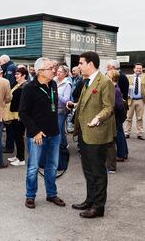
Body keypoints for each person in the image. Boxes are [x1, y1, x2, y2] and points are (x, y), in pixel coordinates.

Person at [68, 51, 115, 218]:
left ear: (90, 64)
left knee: (98, 172)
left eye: (81, 63)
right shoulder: (86, 82)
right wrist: (73, 105)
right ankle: (90, 200)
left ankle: (98, 207)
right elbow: (84, 103)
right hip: (84, 133)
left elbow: (108, 107)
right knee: (88, 170)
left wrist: (98, 118)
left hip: (97, 133)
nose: (79, 67)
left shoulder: (105, 82)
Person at [19, 57, 65, 209]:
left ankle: (51, 194)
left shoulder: (53, 85)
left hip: (54, 133)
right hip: (37, 135)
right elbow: (23, 113)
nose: (54, 71)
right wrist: (35, 131)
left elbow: (53, 107)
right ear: (40, 72)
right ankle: (30, 196)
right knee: (33, 167)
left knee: (52, 166)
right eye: (50, 68)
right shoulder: (29, 88)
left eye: (53, 68)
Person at [5, 67, 28, 166]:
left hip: (19, 116)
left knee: (19, 137)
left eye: (18, 74)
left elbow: (25, 103)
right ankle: (18, 155)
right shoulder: (18, 84)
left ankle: (21, 159)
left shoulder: (25, 86)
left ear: (24, 75)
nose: (15, 76)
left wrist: (21, 115)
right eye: (15, 74)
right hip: (13, 114)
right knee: (15, 136)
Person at [106, 70, 128, 162]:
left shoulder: (115, 89)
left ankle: (121, 155)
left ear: (111, 77)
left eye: (107, 75)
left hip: (117, 116)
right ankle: (124, 153)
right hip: (117, 115)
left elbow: (119, 105)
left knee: (119, 135)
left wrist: (112, 108)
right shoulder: (114, 88)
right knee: (120, 134)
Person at [0, 54, 16, 153]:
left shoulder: (10, 68)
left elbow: (9, 84)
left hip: (10, 101)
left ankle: (9, 146)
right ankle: (9, 145)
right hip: (11, 100)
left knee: (10, 125)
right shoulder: (11, 67)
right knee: (10, 125)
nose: (0, 65)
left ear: (5, 61)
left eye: (0, 63)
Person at [55, 65, 72, 156]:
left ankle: (60, 149)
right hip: (53, 108)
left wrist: (56, 95)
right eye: (58, 71)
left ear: (65, 74)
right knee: (60, 128)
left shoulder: (67, 84)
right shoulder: (54, 80)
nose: (58, 73)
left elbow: (67, 99)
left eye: (61, 72)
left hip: (62, 110)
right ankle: (64, 144)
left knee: (58, 128)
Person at [125, 63, 145, 139]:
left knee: (139, 118)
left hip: (140, 100)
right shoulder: (129, 77)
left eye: (140, 68)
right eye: (137, 68)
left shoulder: (144, 77)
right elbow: (125, 87)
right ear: (134, 69)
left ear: (142, 69)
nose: (138, 70)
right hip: (131, 100)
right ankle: (127, 133)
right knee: (128, 117)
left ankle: (139, 134)